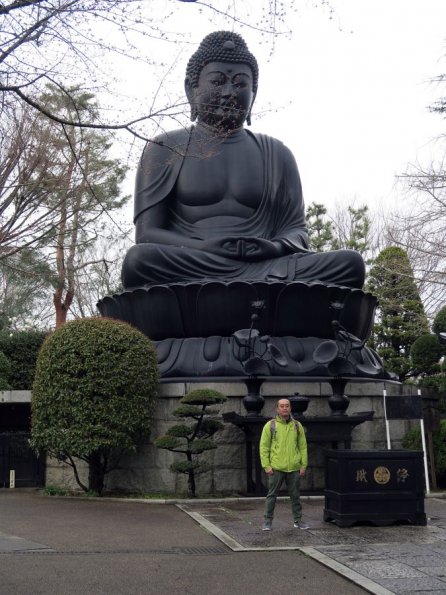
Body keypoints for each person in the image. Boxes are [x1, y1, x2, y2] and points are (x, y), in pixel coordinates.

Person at [121, 30, 365, 289]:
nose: (229, 92)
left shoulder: (277, 153)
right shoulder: (166, 147)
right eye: (217, 82)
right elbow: (147, 235)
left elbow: (297, 231)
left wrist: (274, 246)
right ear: (191, 89)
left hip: (268, 266)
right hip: (195, 261)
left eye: (240, 83)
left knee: (349, 264)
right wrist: (206, 247)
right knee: (139, 261)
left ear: (254, 92)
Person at [259, 398, 308, 531]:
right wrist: (266, 466)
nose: (284, 408)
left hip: (294, 467)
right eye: (282, 406)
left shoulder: (297, 426)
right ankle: (267, 521)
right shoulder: (271, 425)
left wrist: (303, 465)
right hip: (276, 467)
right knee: (272, 495)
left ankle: (298, 521)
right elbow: (264, 447)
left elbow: (302, 446)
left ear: (290, 408)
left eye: (287, 406)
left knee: (295, 496)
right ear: (277, 409)